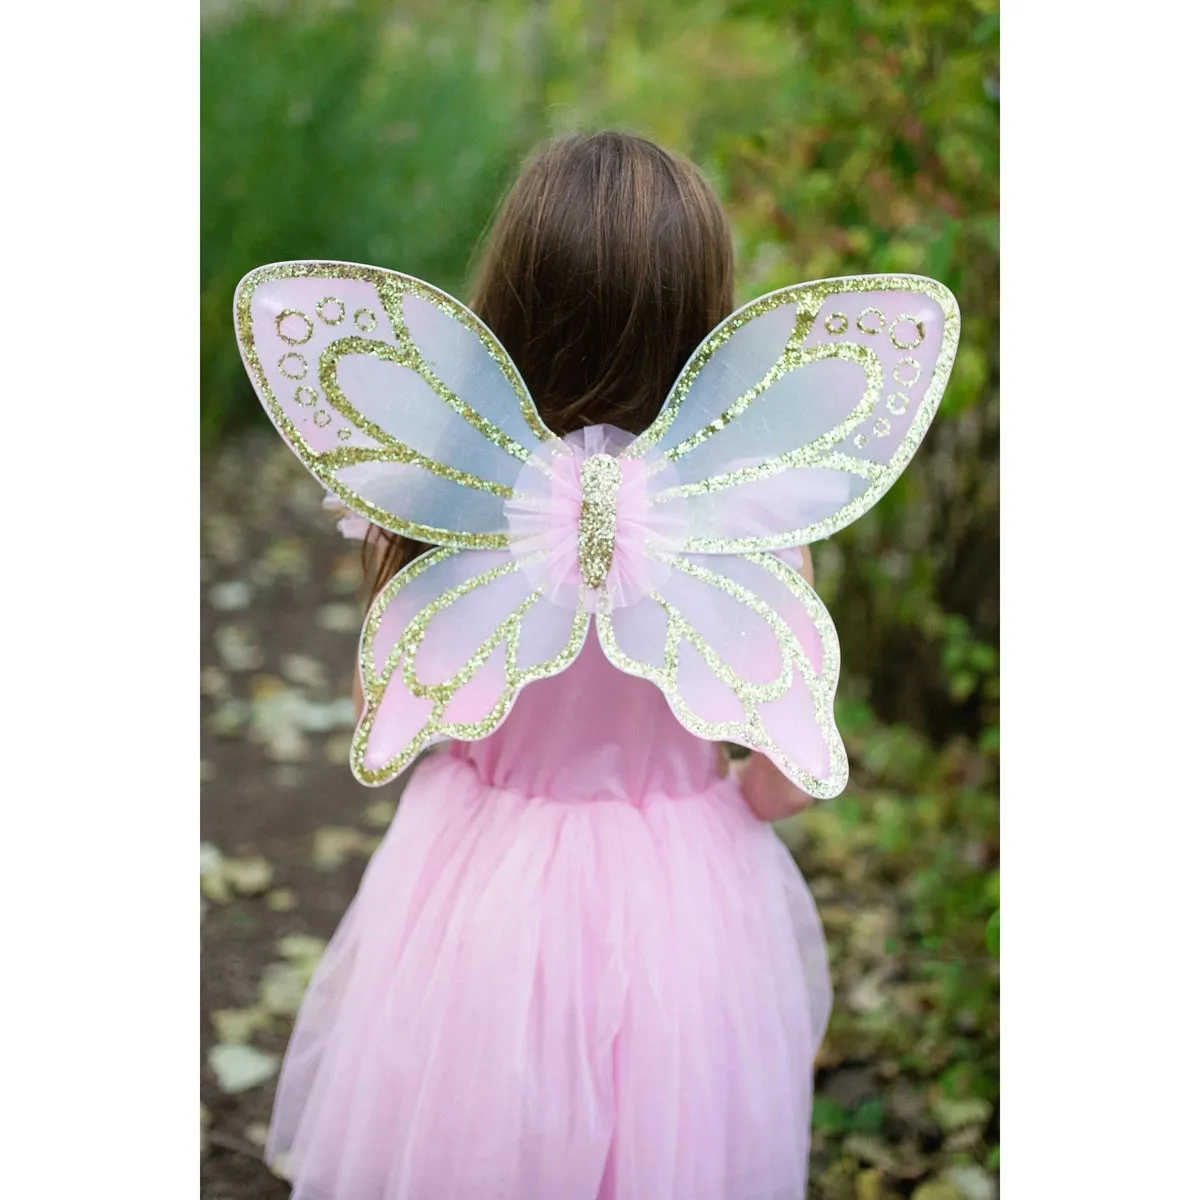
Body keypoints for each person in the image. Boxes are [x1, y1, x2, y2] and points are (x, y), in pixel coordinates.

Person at [238, 129, 958, 1199]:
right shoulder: (744, 514)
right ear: (708, 310)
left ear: (512, 297)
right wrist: (733, 801)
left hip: (479, 879)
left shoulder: (447, 490)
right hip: (681, 890)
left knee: (468, 1134)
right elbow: (786, 777)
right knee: (664, 1143)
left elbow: (387, 708)